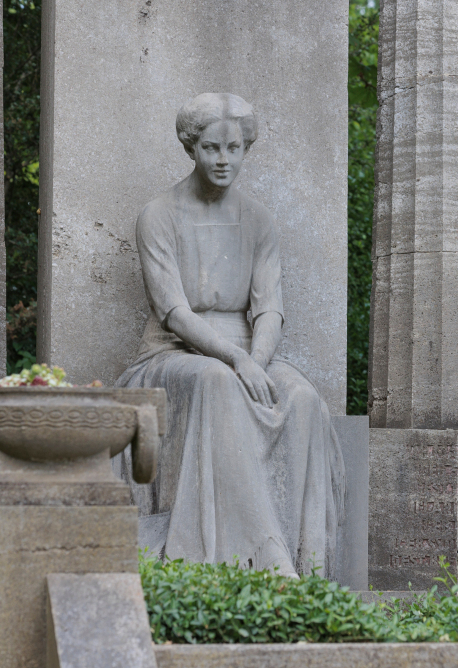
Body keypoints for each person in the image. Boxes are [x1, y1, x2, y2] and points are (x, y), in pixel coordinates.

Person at [115, 93, 344, 576]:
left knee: (300, 397)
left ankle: (308, 563)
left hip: (250, 351)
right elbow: (172, 311)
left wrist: (255, 361)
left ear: (246, 149)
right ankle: (253, 559)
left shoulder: (258, 219)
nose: (224, 160)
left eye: (234, 148)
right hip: (172, 354)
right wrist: (236, 364)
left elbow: (270, 308)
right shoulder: (159, 215)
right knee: (215, 382)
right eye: (212, 148)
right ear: (190, 147)